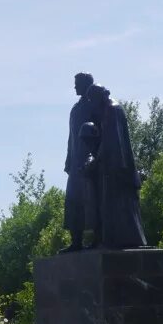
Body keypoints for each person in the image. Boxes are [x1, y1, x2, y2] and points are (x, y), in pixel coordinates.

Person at [84, 83, 147, 248]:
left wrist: (96, 162)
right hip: (113, 168)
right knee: (115, 207)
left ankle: (124, 241)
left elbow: (111, 142)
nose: (92, 103)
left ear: (100, 96)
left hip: (119, 170)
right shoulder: (109, 110)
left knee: (122, 208)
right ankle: (115, 240)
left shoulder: (112, 110)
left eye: (92, 99)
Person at [61, 72, 100, 252]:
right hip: (75, 163)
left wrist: (95, 157)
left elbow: (101, 132)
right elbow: (71, 138)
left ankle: (98, 239)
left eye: (77, 83)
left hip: (91, 162)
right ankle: (75, 241)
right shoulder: (75, 109)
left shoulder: (94, 106)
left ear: (86, 85)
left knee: (92, 201)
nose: (74, 87)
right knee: (73, 201)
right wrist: (69, 160)